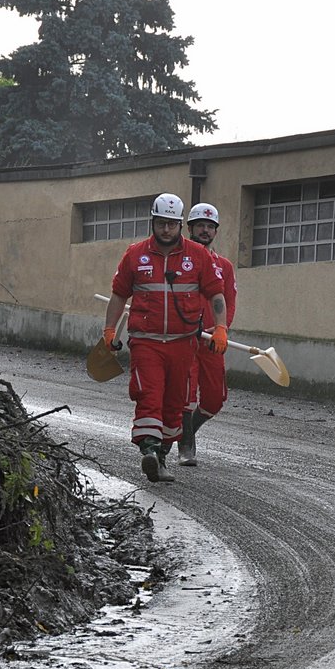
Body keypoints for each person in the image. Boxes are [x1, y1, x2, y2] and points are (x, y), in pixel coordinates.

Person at [103, 193, 228, 484]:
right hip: (146, 342)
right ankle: (148, 448)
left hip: (183, 344)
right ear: (153, 222)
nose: (166, 230)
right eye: (161, 224)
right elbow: (119, 294)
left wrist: (220, 327)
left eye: (172, 224)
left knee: (175, 403)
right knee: (149, 394)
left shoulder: (198, 256)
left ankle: (161, 456)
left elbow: (216, 294)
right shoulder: (135, 255)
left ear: (180, 225)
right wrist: (109, 330)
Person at [179, 202, 238, 466]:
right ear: (190, 228)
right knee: (187, 394)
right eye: (200, 225)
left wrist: (222, 328)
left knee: (214, 399)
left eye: (210, 227)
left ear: (215, 231)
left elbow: (229, 300)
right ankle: (186, 446)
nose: (205, 230)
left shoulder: (224, 266)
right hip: (184, 338)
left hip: (213, 340)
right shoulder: (181, 260)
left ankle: (186, 431)